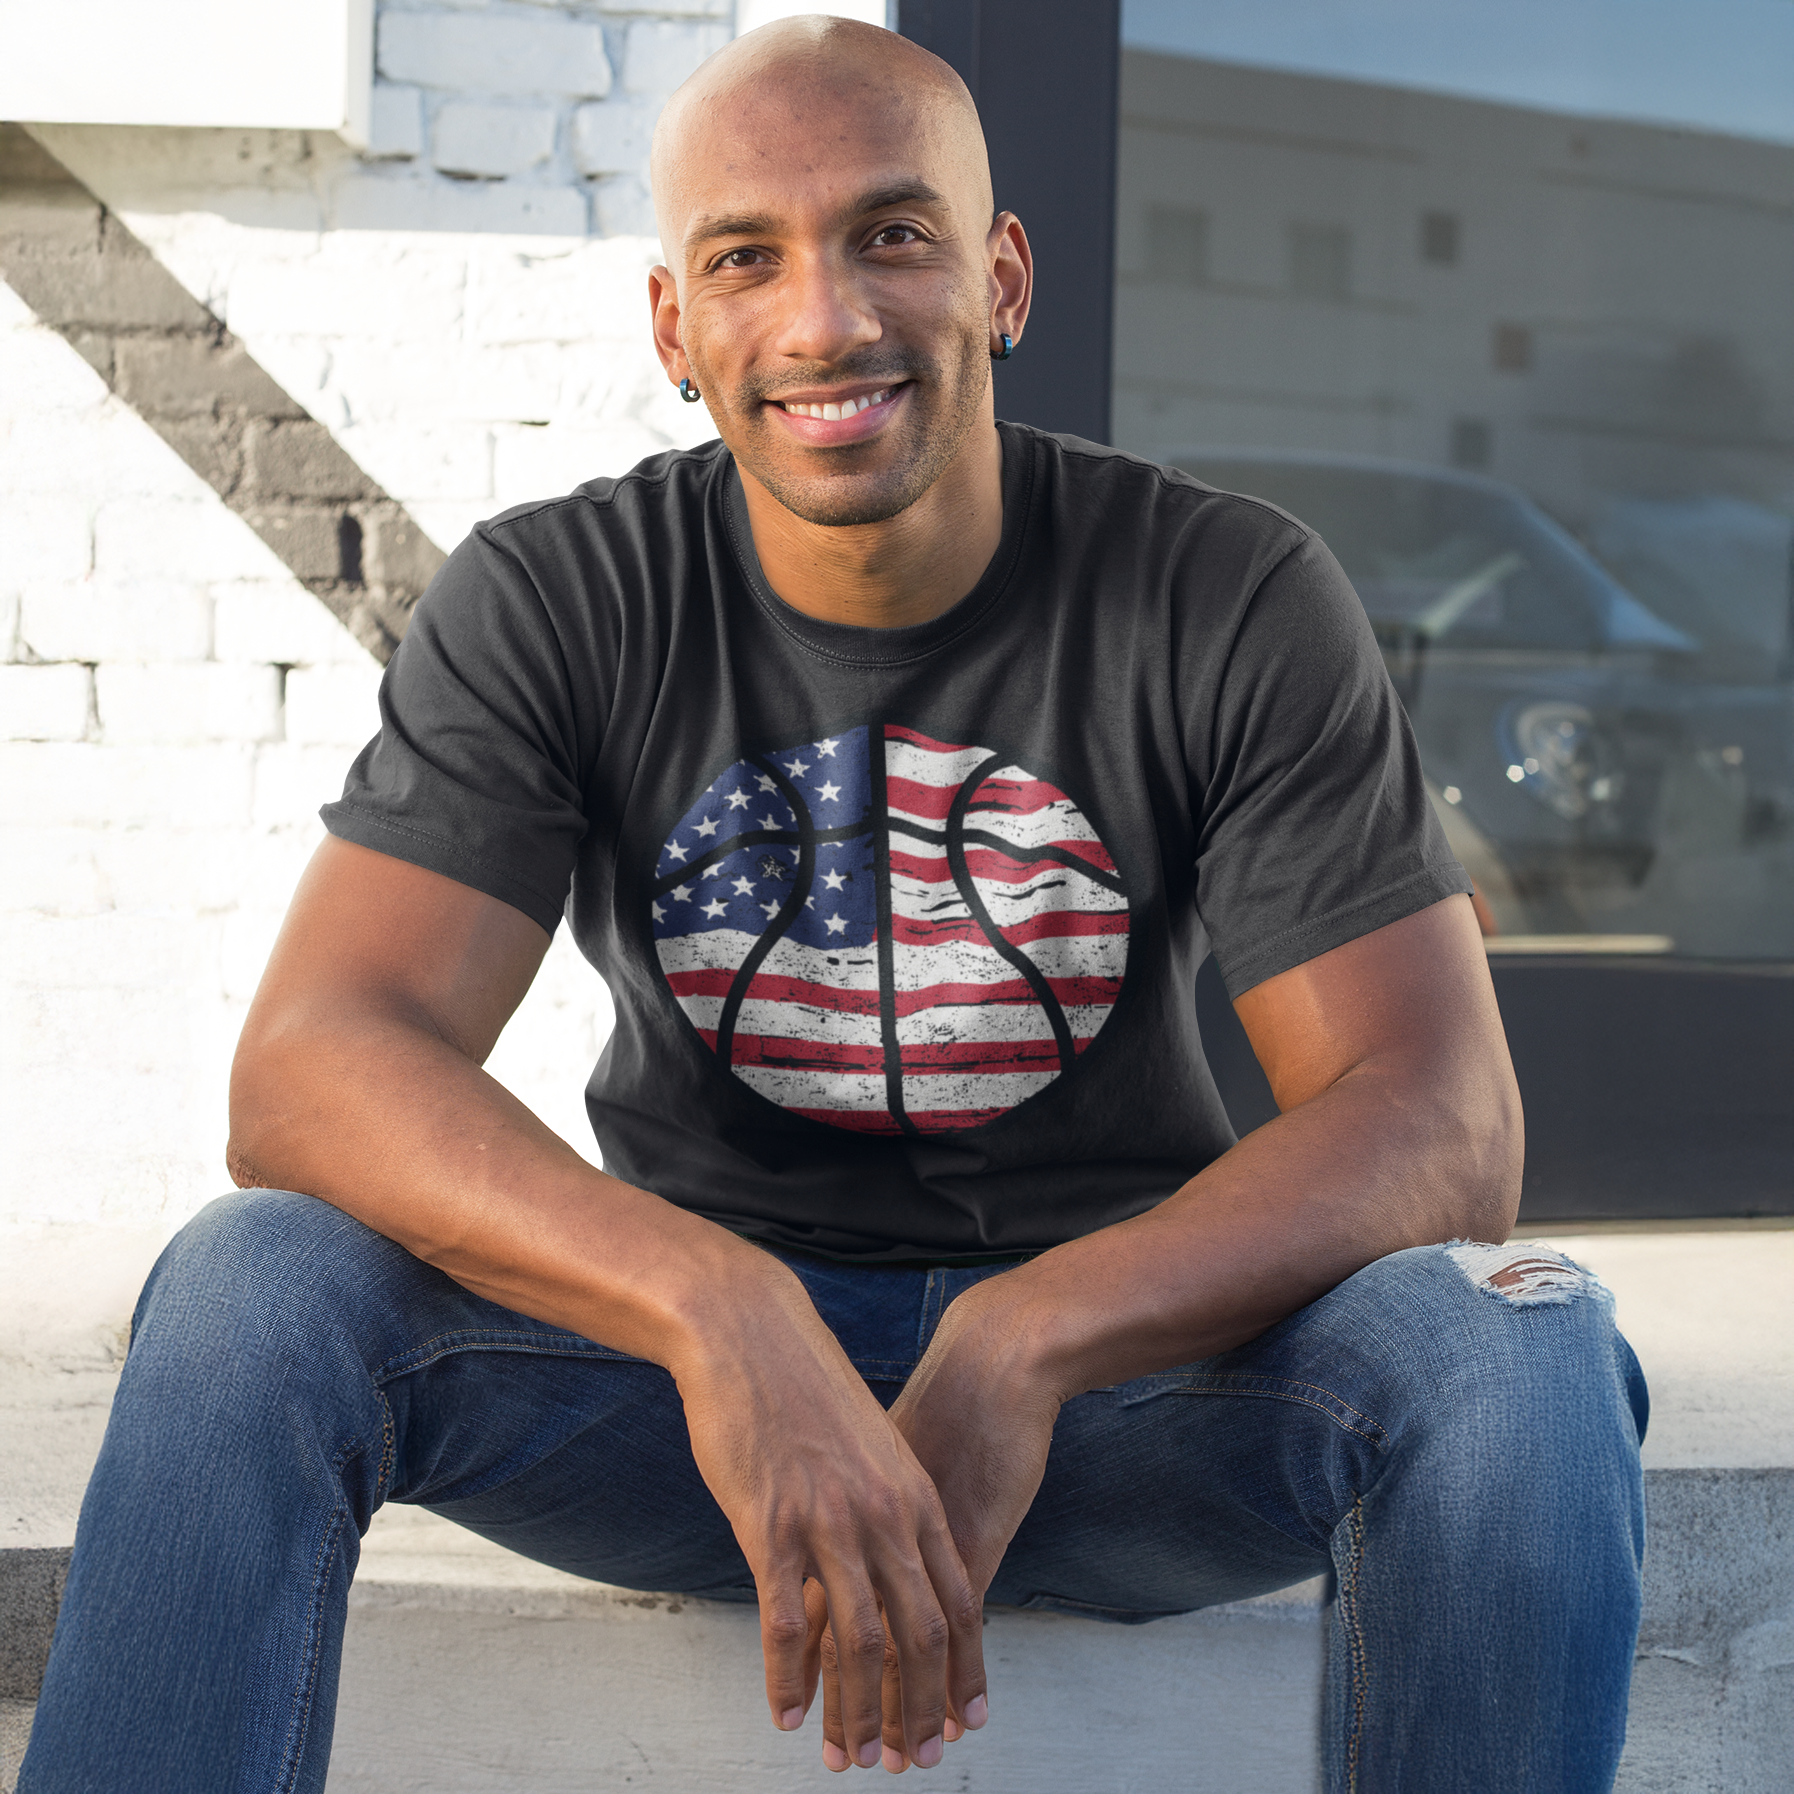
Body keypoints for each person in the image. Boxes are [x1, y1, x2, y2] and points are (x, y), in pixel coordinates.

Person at [20, 17, 1647, 1793]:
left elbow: (1438, 1120)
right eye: (745, 258)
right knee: (254, 1282)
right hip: (695, 1416)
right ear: (672, 328)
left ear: (1001, 275)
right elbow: (317, 1063)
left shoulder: (1221, 589)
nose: (825, 319)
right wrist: (722, 1312)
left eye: (892, 233)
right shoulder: (569, 590)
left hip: (1117, 1402)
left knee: (1522, 1343)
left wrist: (1023, 1333)